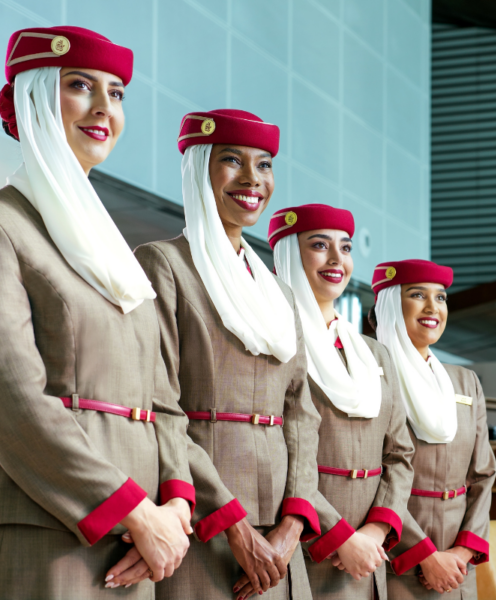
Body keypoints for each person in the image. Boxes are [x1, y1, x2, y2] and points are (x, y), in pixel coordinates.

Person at [0, 26, 194, 599]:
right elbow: (12, 395)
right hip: (56, 521)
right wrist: (132, 509)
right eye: (81, 86)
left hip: (146, 534)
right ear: (34, 96)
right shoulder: (7, 227)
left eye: (118, 92)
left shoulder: (114, 250)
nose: (104, 107)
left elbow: (163, 398)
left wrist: (175, 505)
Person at [134, 109, 321, 600]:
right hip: (204, 522)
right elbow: (160, 408)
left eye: (264, 165)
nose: (251, 179)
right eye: (232, 161)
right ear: (198, 169)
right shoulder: (164, 265)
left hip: (281, 537)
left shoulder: (279, 293)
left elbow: (301, 414)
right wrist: (232, 523)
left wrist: (295, 522)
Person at [265, 204, 415, 600]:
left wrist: (376, 530)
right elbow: (279, 453)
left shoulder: (374, 354)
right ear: (288, 255)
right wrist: (340, 536)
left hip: (368, 551)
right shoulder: (271, 342)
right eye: (319, 245)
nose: (337, 260)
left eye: (346, 248)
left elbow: (399, 454)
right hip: (305, 542)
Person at [371, 260, 496, 599]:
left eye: (440, 298)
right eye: (417, 295)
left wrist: (462, 553)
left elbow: (484, 474)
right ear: (391, 304)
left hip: (458, 563)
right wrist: (424, 555)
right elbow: (375, 478)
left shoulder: (465, 381)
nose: (432, 308)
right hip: (395, 551)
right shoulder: (371, 375)